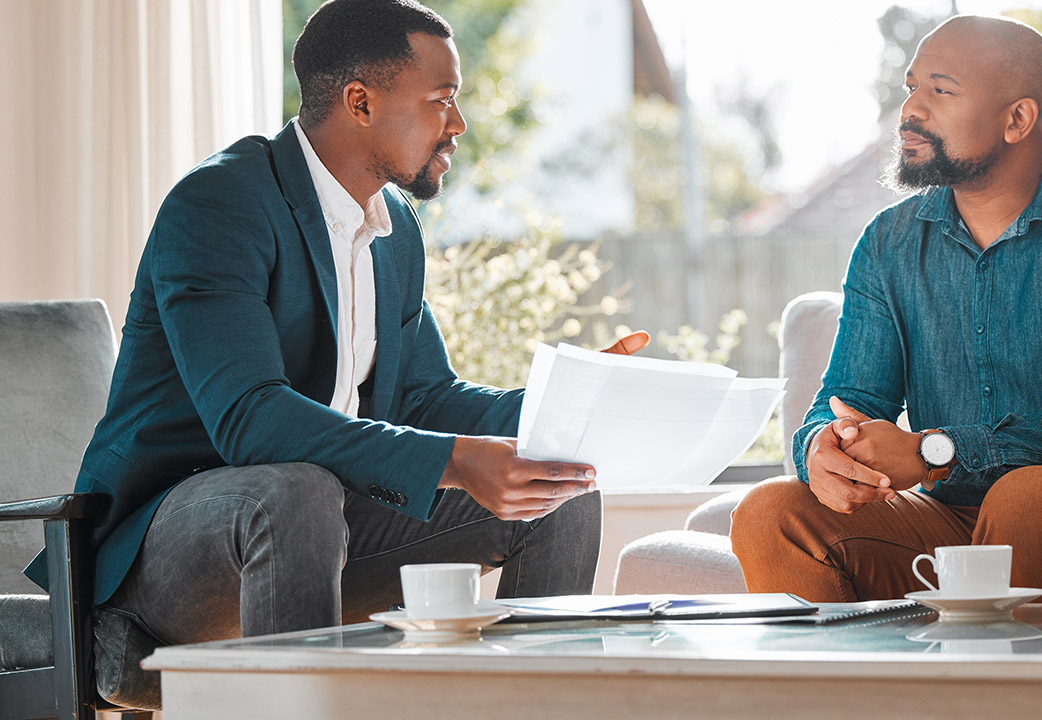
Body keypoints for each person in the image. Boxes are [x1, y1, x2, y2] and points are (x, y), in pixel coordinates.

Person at [24, 0, 648, 704]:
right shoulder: (221, 203)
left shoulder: (393, 231)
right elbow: (250, 419)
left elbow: (423, 396)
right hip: (161, 561)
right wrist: (451, 460)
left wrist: (571, 398)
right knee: (296, 489)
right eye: (442, 99)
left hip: (318, 537)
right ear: (360, 101)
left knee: (554, 491)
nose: (459, 124)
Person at [730, 15, 1042, 605]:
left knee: (1027, 499)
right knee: (771, 511)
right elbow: (845, 400)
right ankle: (846, 700)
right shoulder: (889, 243)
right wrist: (821, 451)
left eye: (941, 90)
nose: (911, 110)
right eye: (911, 87)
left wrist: (935, 451)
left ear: (1018, 119)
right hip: (951, 529)